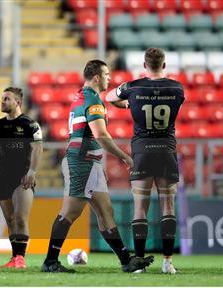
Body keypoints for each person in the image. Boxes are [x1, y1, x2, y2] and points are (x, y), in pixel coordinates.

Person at [42, 60, 154, 273]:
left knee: (105, 211)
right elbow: (101, 134)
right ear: (96, 77)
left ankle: (125, 261)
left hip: (89, 160)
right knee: (69, 212)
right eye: (107, 74)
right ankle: (50, 261)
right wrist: (124, 157)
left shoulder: (81, 96)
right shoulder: (92, 99)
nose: (109, 78)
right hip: (83, 160)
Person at [106, 48, 184, 274]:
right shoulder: (177, 87)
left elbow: (109, 97)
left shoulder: (133, 87)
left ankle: (139, 262)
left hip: (142, 151)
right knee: (168, 207)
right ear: (164, 65)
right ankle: (167, 262)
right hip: (166, 150)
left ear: (144, 64)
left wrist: (128, 104)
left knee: (140, 208)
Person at [0, 87, 43, 269]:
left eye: (6, 99)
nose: (2, 102)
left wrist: (32, 171)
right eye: (2, 99)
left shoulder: (29, 124)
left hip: (23, 177)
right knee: (10, 220)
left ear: (17, 102)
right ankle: (14, 257)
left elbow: (38, 148)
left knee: (20, 217)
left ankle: (21, 258)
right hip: (4, 178)